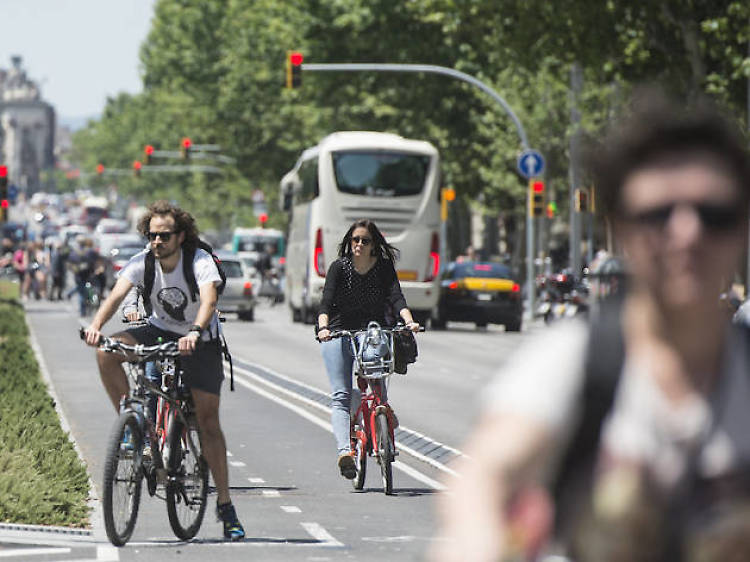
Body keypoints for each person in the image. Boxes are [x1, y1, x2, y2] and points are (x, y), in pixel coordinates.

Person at [432, 91, 750, 562]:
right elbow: (481, 483)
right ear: (619, 227)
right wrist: (479, 542)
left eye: (714, 214)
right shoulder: (575, 360)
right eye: (659, 215)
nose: (688, 234)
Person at [82, 200, 245, 541]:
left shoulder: (198, 262)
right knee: (107, 353)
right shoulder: (143, 262)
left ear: (180, 236)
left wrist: (196, 333)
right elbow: (115, 296)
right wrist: (96, 325)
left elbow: (209, 301)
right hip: (159, 328)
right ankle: (132, 426)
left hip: (200, 337)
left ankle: (226, 506)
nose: (157, 242)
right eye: (152, 235)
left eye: (164, 236)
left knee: (208, 421)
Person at [316, 219, 420, 479]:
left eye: (365, 240)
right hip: (339, 332)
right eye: (355, 240)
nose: (359, 245)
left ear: (374, 245)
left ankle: (381, 407)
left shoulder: (383, 268)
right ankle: (345, 453)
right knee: (341, 394)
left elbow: (397, 298)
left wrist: (409, 322)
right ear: (349, 243)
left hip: (371, 330)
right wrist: (323, 328)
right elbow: (326, 302)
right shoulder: (339, 267)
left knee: (376, 372)